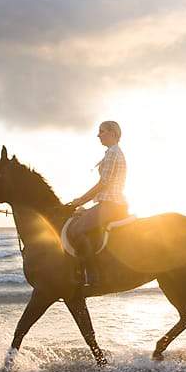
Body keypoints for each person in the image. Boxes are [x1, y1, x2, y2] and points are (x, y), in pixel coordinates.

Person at [66, 120, 128, 287]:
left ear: (113, 133)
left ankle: (92, 275)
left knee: (77, 229)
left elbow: (103, 183)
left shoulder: (113, 153)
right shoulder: (111, 152)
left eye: (102, 131)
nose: (98, 135)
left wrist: (80, 200)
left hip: (112, 203)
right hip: (109, 202)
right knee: (78, 218)